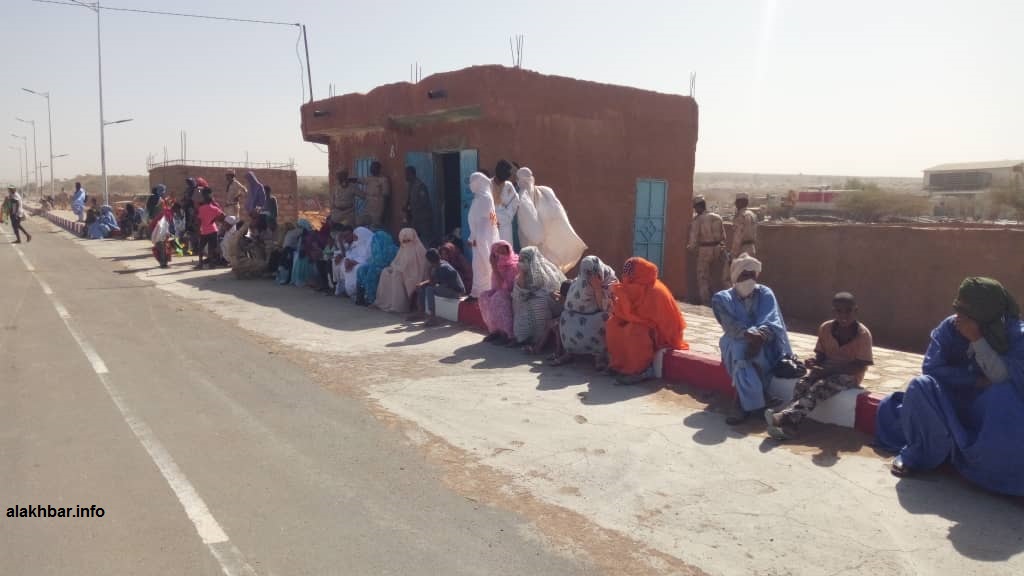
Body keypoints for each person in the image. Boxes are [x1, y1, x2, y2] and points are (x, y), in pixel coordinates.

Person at [877, 277, 1024, 495]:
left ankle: (995, 471)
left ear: (987, 308)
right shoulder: (950, 326)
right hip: (951, 401)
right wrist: (973, 380)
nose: (960, 314)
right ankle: (916, 454)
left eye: (967, 309)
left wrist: (977, 340)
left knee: (1002, 393)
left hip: (987, 411)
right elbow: (932, 367)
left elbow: (1003, 376)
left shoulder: (1016, 334)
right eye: (959, 307)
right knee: (920, 385)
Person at [765, 293, 873, 440]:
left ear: (856, 311)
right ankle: (790, 424)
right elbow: (821, 354)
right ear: (833, 312)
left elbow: (860, 366)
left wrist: (829, 371)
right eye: (839, 311)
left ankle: (783, 417)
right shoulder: (826, 328)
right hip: (825, 370)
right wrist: (814, 362)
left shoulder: (863, 334)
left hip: (849, 375)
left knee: (820, 387)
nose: (844, 315)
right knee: (803, 384)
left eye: (848, 311)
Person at [712, 253, 792, 424]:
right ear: (735, 276)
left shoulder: (765, 293)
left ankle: (740, 404)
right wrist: (750, 336)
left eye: (752, 275)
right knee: (738, 346)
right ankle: (761, 397)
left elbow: (770, 320)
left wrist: (759, 338)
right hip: (736, 339)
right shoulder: (722, 298)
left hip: (766, 341)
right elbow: (730, 326)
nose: (749, 279)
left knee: (740, 352)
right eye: (744, 275)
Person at [606, 257, 688, 384]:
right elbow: (629, 312)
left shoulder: (655, 291)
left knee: (635, 330)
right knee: (613, 324)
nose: (626, 278)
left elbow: (645, 320)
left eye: (631, 274)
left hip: (664, 334)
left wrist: (620, 294)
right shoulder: (640, 286)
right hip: (647, 324)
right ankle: (620, 365)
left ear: (639, 274)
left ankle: (641, 370)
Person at [514, 167, 587, 273]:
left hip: (536, 243)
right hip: (549, 242)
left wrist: (539, 237)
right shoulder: (546, 191)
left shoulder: (523, 196)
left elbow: (534, 233)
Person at [552, 256, 618, 369]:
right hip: (579, 317)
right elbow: (570, 304)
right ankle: (569, 352)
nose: (590, 276)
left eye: (593, 272)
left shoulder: (610, 280)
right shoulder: (579, 282)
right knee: (565, 316)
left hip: (596, 317)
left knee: (605, 318)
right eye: (587, 273)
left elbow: (604, 308)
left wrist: (597, 289)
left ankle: (599, 357)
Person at [512, 247, 567, 350]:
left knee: (539, 302)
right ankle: (525, 338)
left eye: (525, 260)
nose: (522, 263)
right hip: (525, 310)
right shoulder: (520, 276)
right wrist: (522, 273)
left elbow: (554, 291)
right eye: (521, 260)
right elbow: (519, 295)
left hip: (548, 306)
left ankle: (539, 340)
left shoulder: (547, 272)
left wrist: (543, 294)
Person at [376, 228, 430, 313]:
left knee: (396, 275)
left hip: (414, 277)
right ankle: (383, 302)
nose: (406, 243)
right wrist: (392, 268)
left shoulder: (420, 250)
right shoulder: (402, 249)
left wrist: (397, 269)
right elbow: (395, 262)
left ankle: (399, 306)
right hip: (402, 272)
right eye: (404, 241)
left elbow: (418, 269)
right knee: (385, 272)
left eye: (408, 241)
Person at [410, 248, 466, 326]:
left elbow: (432, 283)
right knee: (422, 287)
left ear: (429, 261)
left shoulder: (442, 267)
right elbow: (434, 281)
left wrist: (429, 270)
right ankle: (421, 312)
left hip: (456, 292)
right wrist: (422, 284)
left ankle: (433, 317)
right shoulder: (440, 264)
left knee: (429, 289)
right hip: (449, 288)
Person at [687, 194, 726, 305]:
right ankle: (718, 300)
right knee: (715, 277)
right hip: (717, 249)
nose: (695, 210)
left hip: (704, 250)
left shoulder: (698, 220)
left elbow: (693, 239)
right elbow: (723, 236)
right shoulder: (718, 217)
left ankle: (706, 302)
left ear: (698, 207)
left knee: (703, 277)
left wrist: (690, 248)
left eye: (695, 207)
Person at [467, 172, 499, 298]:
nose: (470, 185)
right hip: (478, 238)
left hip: (483, 238)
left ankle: (484, 294)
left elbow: (488, 219)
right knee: (478, 267)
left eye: (472, 182)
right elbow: (492, 218)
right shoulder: (479, 197)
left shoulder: (485, 199)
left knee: (484, 266)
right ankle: (478, 293)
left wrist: (476, 238)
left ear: (478, 183)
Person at [479, 241, 519, 343]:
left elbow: (507, 287)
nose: (502, 255)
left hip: (513, 294)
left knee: (499, 297)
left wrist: (494, 268)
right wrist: (495, 268)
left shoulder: (514, 265)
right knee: (484, 296)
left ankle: (507, 334)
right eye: (498, 252)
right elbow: (495, 286)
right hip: (500, 293)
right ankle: (495, 331)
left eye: (504, 252)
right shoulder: (498, 266)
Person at [724, 193, 758, 286]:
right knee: (749, 278)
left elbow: (738, 237)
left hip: (741, 250)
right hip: (751, 249)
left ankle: (733, 295)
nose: (735, 204)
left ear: (741, 202)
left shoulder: (740, 216)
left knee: (730, 277)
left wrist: (732, 255)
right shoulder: (752, 214)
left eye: (737, 202)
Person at [356, 230, 397, 305]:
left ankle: (372, 299)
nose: (375, 242)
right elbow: (374, 258)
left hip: (387, 267)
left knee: (372, 271)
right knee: (361, 269)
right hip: (376, 265)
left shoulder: (393, 249)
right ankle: (360, 297)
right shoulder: (376, 246)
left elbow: (392, 262)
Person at [403, 166, 434, 244]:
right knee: (415, 240)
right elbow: (409, 199)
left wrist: (410, 209)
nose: (405, 176)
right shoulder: (411, 185)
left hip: (423, 218)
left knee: (425, 240)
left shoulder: (420, 186)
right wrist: (406, 207)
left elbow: (424, 203)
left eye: (406, 174)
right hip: (415, 218)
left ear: (411, 174)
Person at [195, 188, 225, 269]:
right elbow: (223, 215)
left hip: (204, 231)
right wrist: (214, 219)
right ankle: (212, 264)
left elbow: (199, 221)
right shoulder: (214, 208)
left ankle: (200, 264)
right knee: (212, 248)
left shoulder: (201, 208)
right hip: (213, 230)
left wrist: (198, 230)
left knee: (201, 248)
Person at [340, 225, 374, 298]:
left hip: (366, 264)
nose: (355, 239)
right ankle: (350, 291)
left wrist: (354, 262)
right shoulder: (358, 243)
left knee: (358, 268)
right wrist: (348, 260)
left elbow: (369, 258)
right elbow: (353, 254)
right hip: (356, 262)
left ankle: (359, 292)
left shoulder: (369, 244)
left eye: (356, 236)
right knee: (344, 265)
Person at [493, 160, 519, 245]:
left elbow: (515, 202)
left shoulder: (508, 186)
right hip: (493, 226)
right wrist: (494, 222)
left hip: (506, 225)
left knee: (506, 247)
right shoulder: (488, 185)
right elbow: (486, 207)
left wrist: (508, 215)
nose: (502, 183)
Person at [358, 161, 391, 227]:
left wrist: (384, 212)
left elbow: (386, 196)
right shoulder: (369, 178)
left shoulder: (383, 180)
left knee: (375, 226)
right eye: (371, 168)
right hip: (368, 207)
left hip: (378, 207)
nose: (372, 169)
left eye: (374, 168)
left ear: (378, 169)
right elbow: (359, 180)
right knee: (365, 224)